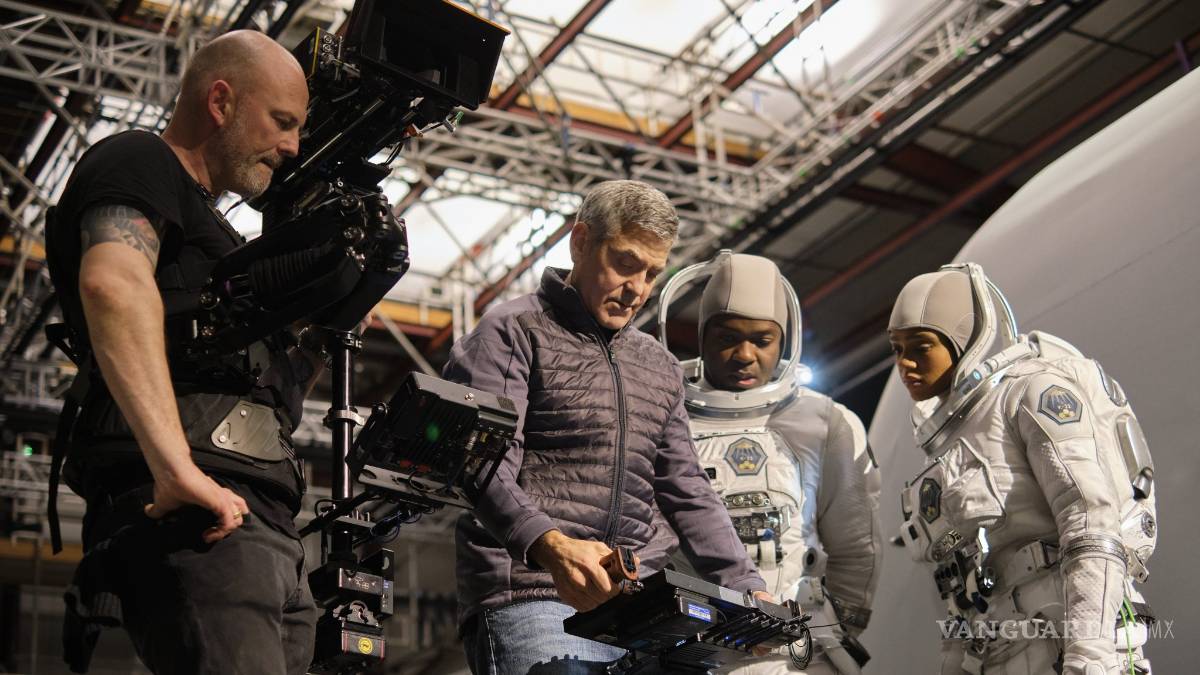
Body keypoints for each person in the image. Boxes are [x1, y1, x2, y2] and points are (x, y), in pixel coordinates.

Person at [44, 30, 322, 675]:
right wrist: (174, 468)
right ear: (220, 102)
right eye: (282, 122)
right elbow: (113, 284)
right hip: (195, 502)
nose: (292, 146)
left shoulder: (222, 238)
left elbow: (278, 389)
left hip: (260, 517)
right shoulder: (140, 158)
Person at [442, 180, 770, 674]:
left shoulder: (659, 365)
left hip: (641, 610)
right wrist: (551, 547)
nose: (637, 288)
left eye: (652, 273)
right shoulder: (511, 332)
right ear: (580, 242)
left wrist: (747, 586)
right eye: (625, 263)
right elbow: (480, 463)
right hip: (533, 594)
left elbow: (687, 489)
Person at [888, 263, 1157, 675]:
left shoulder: (1031, 393)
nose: (905, 364)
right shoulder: (949, 448)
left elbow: (1090, 521)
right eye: (896, 349)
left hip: (1073, 644)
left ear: (964, 341)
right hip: (1003, 651)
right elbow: (961, 592)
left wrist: (1089, 655)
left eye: (921, 347)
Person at [661, 252, 881, 674]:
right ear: (702, 337)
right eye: (727, 338)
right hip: (696, 655)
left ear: (784, 341)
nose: (745, 354)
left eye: (762, 340)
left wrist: (835, 629)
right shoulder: (664, 418)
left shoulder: (824, 422)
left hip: (799, 656)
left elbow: (857, 546)